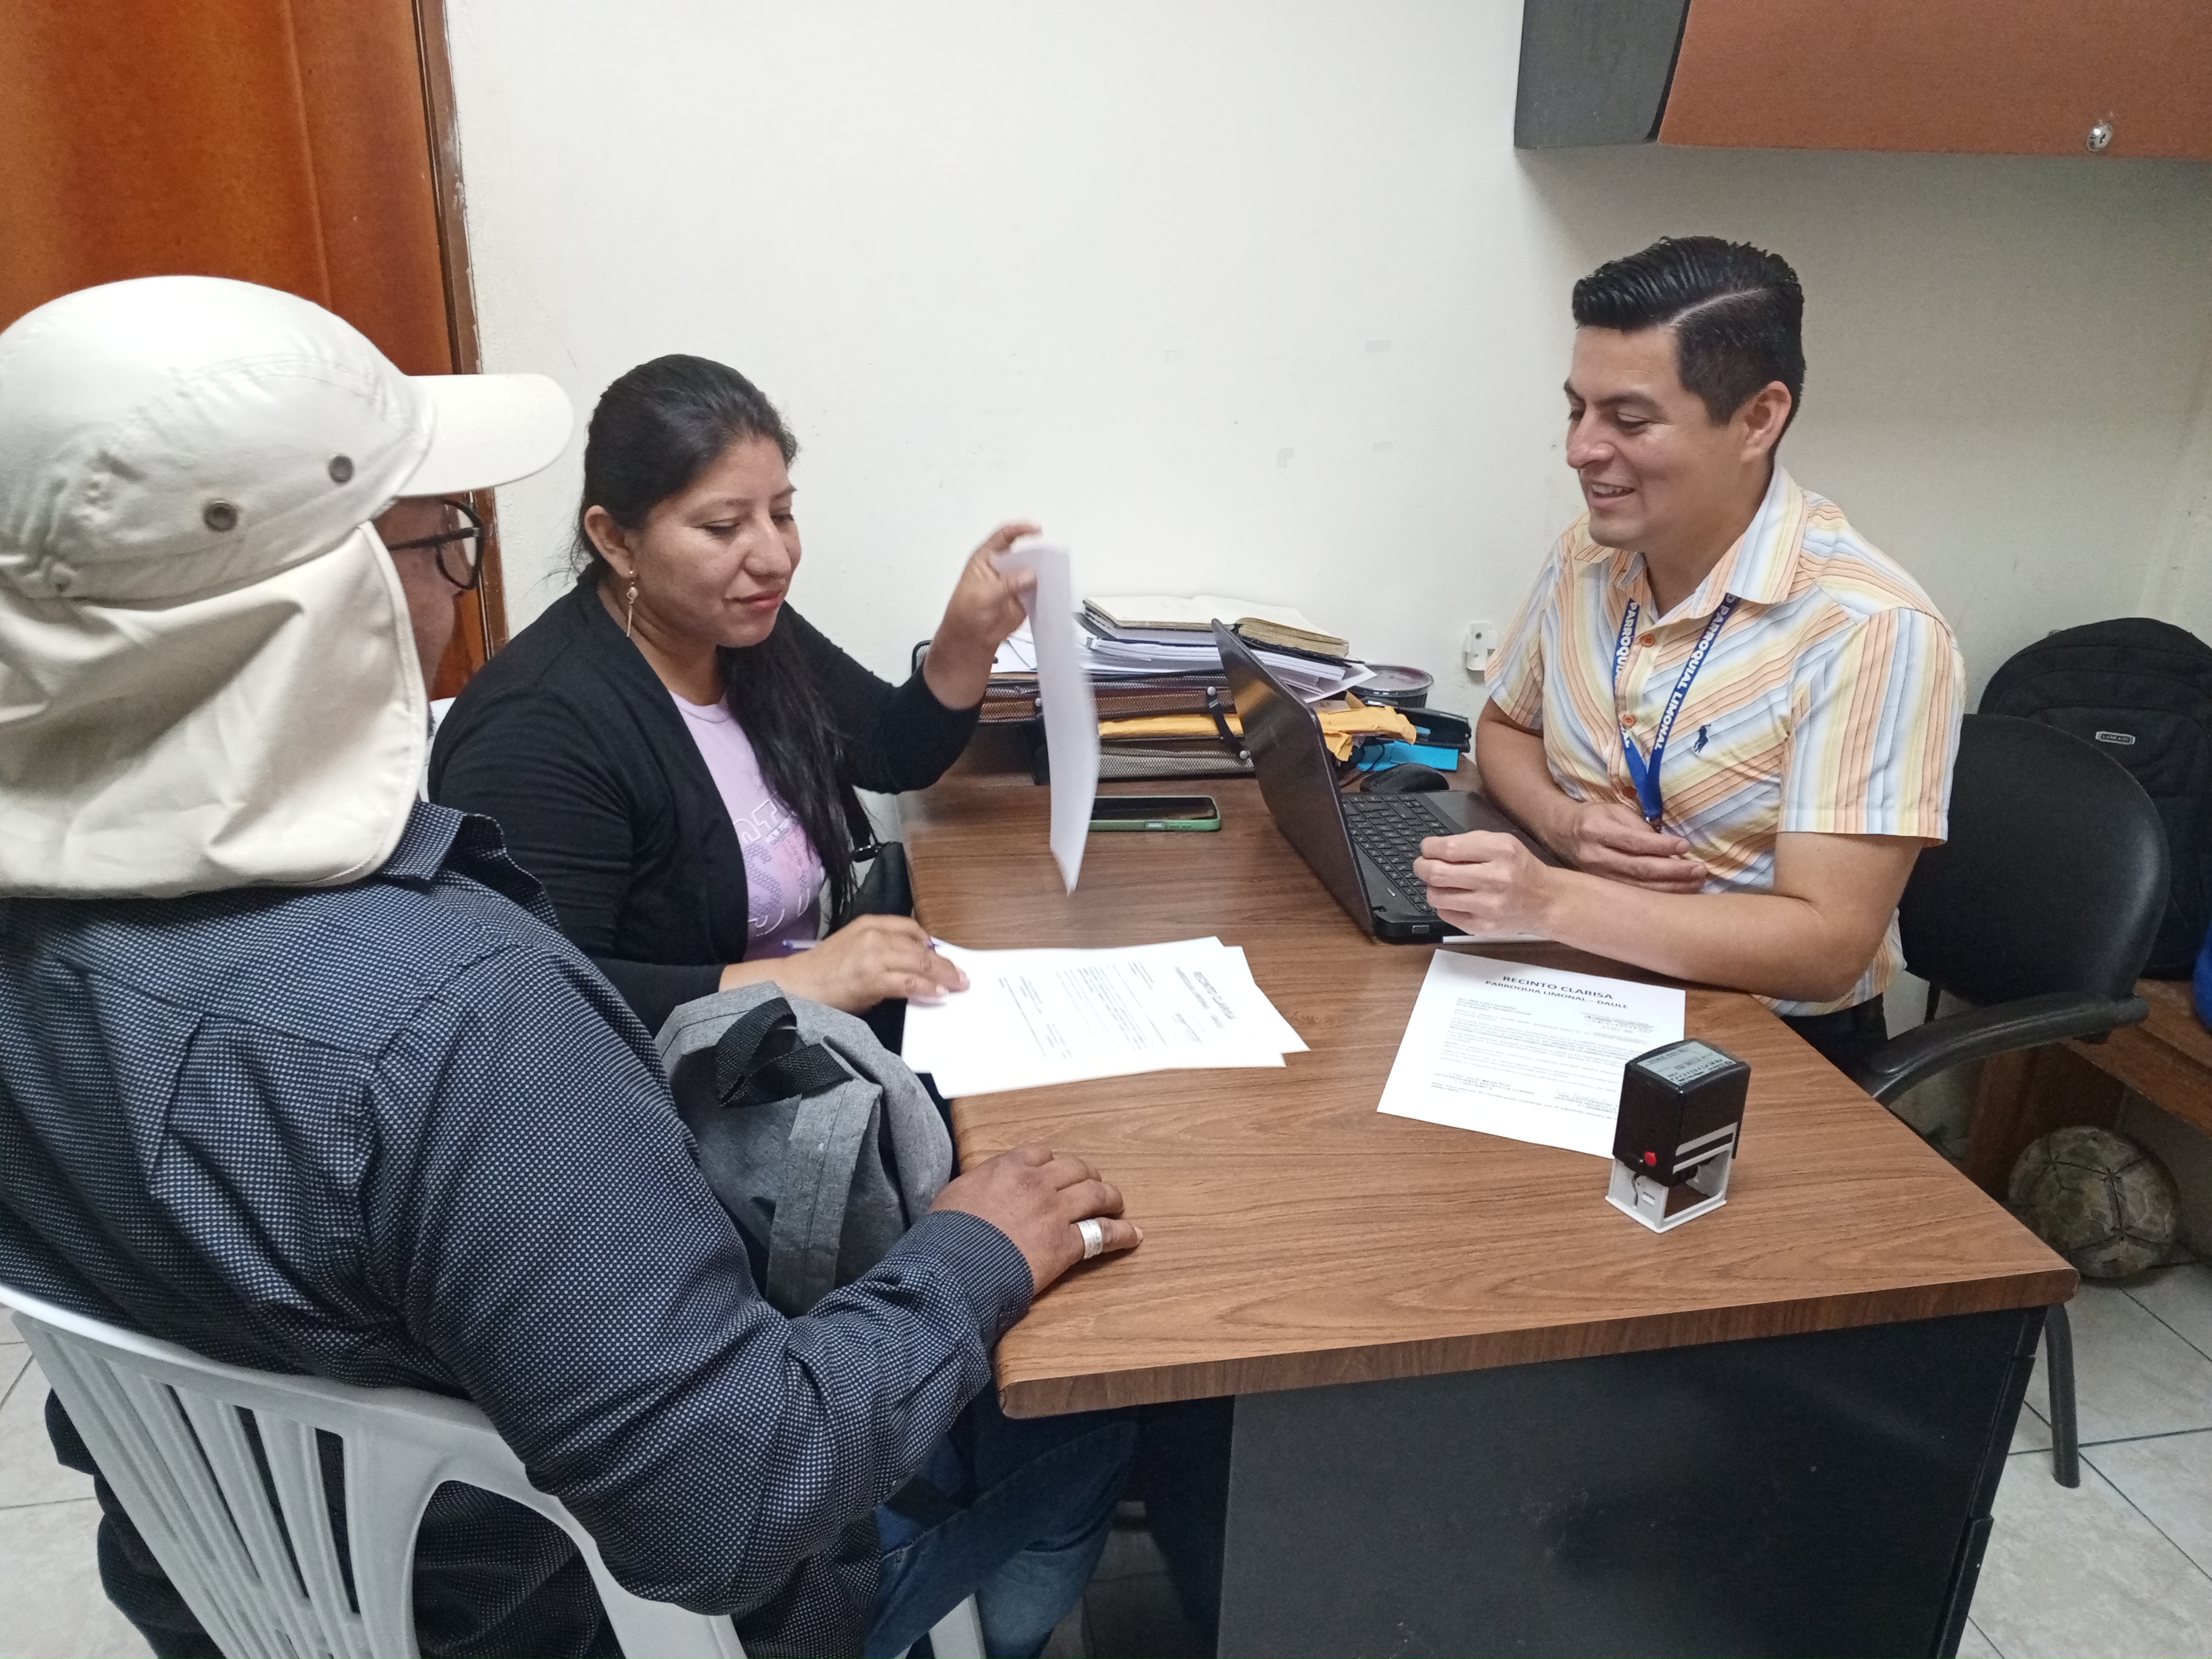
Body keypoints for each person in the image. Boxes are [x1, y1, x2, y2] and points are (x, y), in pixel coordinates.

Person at [0, 275, 1142, 1659]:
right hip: (558, 1618)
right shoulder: (466, 1018)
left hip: (228, 1588)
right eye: (442, 543)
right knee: (1097, 1409)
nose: (456, 580)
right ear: (336, 602)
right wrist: (969, 1256)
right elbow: (728, 1507)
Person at [1420, 237, 1964, 1073]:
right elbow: (1505, 730)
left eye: (1629, 420)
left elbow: (1826, 947)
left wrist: (1551, 898)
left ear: (1758, 419)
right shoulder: (1590, 554)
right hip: (1586, 973)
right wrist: (1566, 825)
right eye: (1577, 410)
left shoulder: (1870, 629)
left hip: (1764, 1039)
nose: (1581, 450)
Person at [431, 354, 1034, 1035]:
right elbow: (540, 1002)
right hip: (682, 1084)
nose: (774, 558)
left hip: (795, 1037)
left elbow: (891, 752)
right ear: (615, 541)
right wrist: (804, 979)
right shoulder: (536, 729)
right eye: (723, 527)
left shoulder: (741, 630)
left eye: (781, 514)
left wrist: (966, 638)